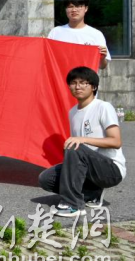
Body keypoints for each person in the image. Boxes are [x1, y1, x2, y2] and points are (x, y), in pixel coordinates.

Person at [38, 67, 126, 217]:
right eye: (73, 83)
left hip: (111, 169)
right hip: (89, 168)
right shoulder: (72, 112)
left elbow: (116, 141)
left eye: (83, 83)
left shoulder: (103, 107)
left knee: (75, 146)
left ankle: (72, 205)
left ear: (93, 87)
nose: (78, 87)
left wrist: (82, 139)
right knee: (46, 178)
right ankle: (92, 192)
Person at [47, 0, 110, 70]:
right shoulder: (55, 32)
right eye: (70, 6)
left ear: (86, 8)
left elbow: (102, 66)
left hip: (86, 77)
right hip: (61, 76)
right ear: (66, 9)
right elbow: (48, 59)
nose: (74, 10)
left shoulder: (96, 34)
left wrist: (102, 58)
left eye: (78, 6)